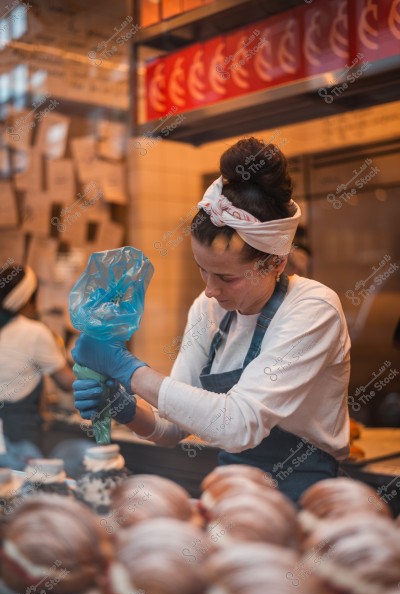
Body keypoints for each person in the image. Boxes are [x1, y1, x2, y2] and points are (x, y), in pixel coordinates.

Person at [72, 137, 351, 502]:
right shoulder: (208, 309)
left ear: (276, 263)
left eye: (226, 277)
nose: (209, 291)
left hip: (303, 496)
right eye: (202, 270)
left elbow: (237, 426)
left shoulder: (314, 310)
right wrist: (125, 407)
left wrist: (128, 369)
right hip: (228, 493)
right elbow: (172, 425)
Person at [0, 264, 75, 449]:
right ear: (27, 299)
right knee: (26, 477)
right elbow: (67, 382)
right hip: (18, 435)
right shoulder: (35, 332)